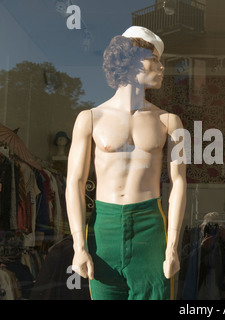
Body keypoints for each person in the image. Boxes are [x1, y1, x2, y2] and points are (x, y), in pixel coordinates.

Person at [65, 26, 187, 300]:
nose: (162, 67)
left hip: (150, 227)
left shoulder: (170, 122)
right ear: (130, 60)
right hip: (103, 227)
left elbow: (179, 182)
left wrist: (173, 245)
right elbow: (74, 182)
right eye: (154, 59)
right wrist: (78, 245)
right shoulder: (90, 118)